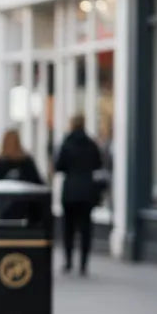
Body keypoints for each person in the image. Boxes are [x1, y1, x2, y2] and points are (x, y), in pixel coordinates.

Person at [55, 113, 105, 276]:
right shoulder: (91, 144)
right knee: (85, 228)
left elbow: (59, 166)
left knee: (68, 227)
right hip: (87, 191)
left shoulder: (66, 143)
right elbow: (98, 164)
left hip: (70, 190)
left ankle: (68, 261)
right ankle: (83, 263)